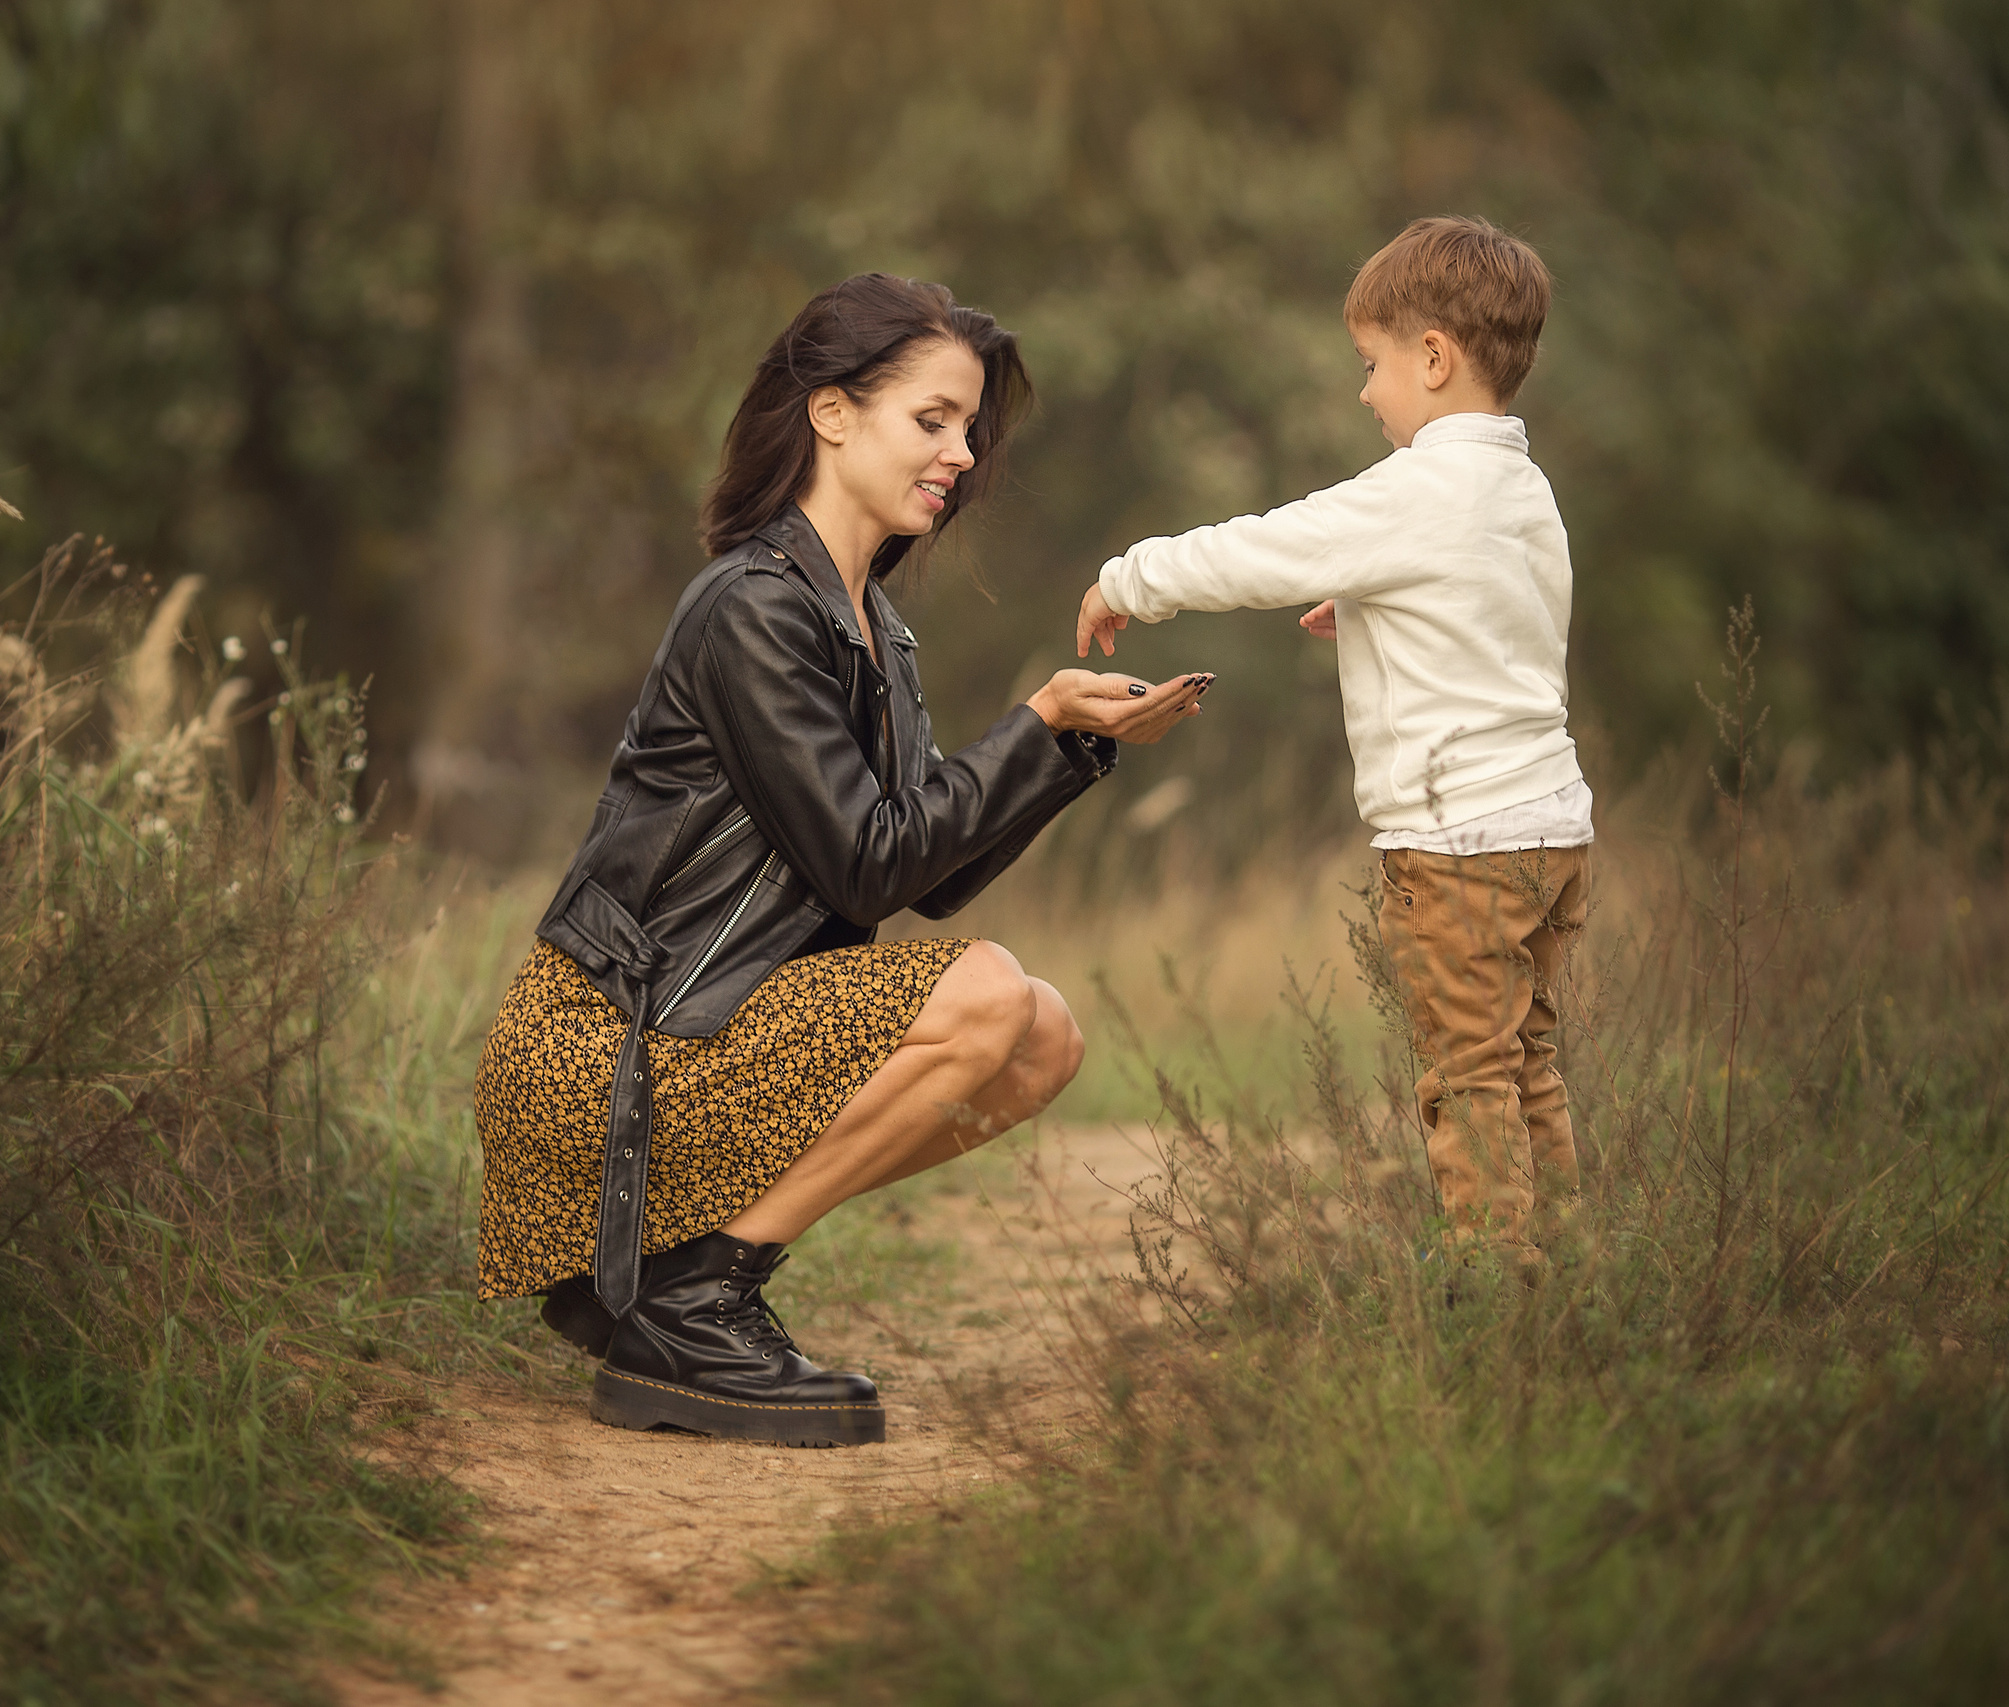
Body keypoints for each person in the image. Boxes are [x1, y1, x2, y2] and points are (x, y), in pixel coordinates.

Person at [475, 273, 1210, 1446]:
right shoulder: (752, 609)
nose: (962, 454)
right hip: (612, 1048)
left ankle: (693, 1282)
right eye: (932, 420)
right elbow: (869, 867)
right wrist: (1032, 724)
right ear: (830, 413)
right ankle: (690, 1303)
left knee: (1042, 1033)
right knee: (984, 992)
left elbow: (923, 876)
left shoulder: (869, 623)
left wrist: (1062, 745)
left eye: (968, 428)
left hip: (711, 1028)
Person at [1073, 216, 1590, 1273]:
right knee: (1526, 1062)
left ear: (1434, 358)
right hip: (1551, 832)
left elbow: (1267, 548)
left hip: (1458, 844)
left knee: (1465, 1074)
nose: (1365, 393)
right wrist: (1373, 614)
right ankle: (1567, 1266)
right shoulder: (1522, 490)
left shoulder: (1418, 487)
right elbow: (1502, 620)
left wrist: (1129, 578)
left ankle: (1493, 1287)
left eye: (1372, 365)